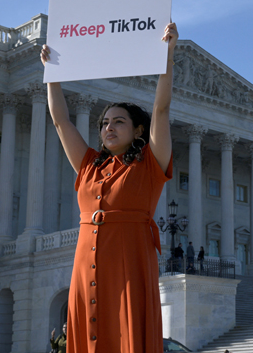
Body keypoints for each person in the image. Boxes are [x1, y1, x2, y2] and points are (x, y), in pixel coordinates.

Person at [40, 22, 178, 353]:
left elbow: (161, 108)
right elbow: (61, 121)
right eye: (104, 123)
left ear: (138, 130)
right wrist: (51, 74)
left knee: (125, 330)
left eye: (118, 122)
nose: (108, 127)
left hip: (128, 260)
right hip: (86, 262)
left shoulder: (149, 164)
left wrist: (168, 55)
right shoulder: (89, 164)